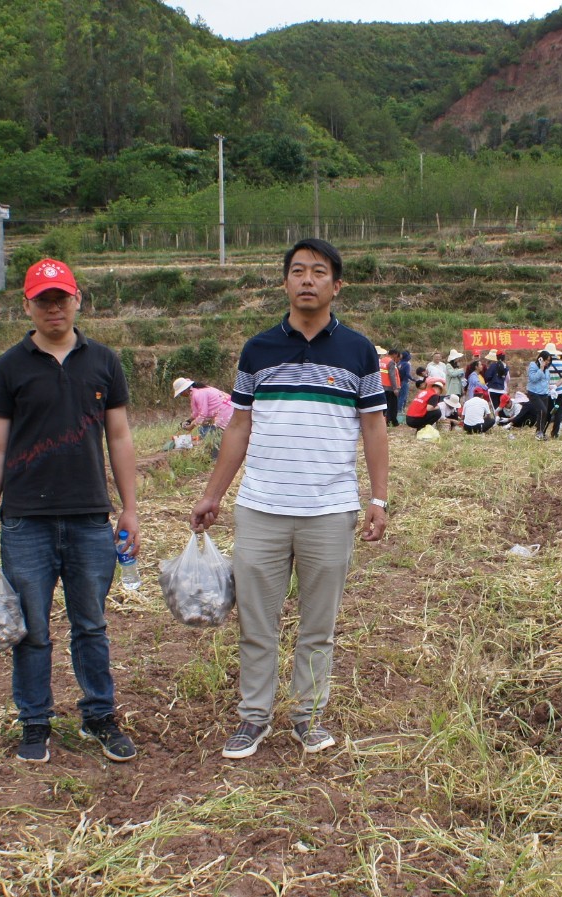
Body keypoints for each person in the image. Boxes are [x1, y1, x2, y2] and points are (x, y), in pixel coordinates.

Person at [189, 238, 389, 760]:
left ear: (336, 285)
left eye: (318, 272)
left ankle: (307, 715)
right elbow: (239, 425)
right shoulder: (258, 350)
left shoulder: (358, 351)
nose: (307, 280)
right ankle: (253, 717)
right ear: (284, 283)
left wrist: (379, 498)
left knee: (318, 626)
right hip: (261, 507)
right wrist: (213, 494)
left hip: (330, 509)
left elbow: (374, 426)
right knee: (257, 622)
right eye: (297, 271)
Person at [0, 257, 140, 765]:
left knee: (91, 624)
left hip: (90, 517)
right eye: (43, 300)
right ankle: (35, 721)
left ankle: (99, 716)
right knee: (32, 628)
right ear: (27, 305)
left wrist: (130, 508)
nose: (53, 308)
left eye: (61, 299)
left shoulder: (103, 361)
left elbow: (119, 437)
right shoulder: (10, 366)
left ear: (77, 300)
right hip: (26, 520)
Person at [173, 377, 234, 459]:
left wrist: (191, 426)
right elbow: (196, 412)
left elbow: (203, 414)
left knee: (217, 435)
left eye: (180, 393)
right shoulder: (197, 391)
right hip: (228, 408)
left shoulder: (198, 394)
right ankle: (216, 454)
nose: (181, 395)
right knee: (208, 429)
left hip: (225, 411)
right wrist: (189, 421)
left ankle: (216, 458)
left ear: (184, 390)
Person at [525, 349, 554, 441]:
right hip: (534, 392)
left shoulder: (547, 369)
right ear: (541, 359)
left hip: (544, 393)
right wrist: (541, 369)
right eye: (546, 360)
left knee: (544, 413)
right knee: (542, 410)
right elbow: (533, 379)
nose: (547, 362)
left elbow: (546, 381)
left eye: (549, 361)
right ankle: (539, 432)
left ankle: (541, 432)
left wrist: (551, 388)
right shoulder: (533, 366)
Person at [545, 343, 562, 438]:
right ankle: (555, 433)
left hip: (548, 392)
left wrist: (550, 386)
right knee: (559, 412)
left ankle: (543, 430)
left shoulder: (545, 364)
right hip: (561, 391)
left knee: (548, 412)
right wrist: (556, 385)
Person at [377, 346, 401, 425]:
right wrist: (395, 388)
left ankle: (383, 421)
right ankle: (391, 421)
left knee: (384, 405)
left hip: (382, 386)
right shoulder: (391, 362)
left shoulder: (382, 360)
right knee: (392, 406)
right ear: (395, 354)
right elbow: (392, 376)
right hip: (389, 388)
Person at [397, 350, 413, 418]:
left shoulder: (398, 363)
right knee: (403, 397)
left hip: (398, 382)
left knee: (399, 397)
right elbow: (407, 374)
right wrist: (414, 379)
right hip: (404, 381)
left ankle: (398, 411)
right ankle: (400, 413)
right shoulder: (407, 364)